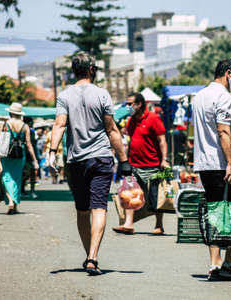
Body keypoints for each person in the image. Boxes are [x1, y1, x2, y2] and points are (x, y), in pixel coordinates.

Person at [50, 51, 131, 275]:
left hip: (76, 160)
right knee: (99, 207)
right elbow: (111, 129)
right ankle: (92, 257)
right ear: (92, 70)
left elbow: (59, 124)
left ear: (74, 71)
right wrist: (124, 160)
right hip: (101, 157)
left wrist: (51, 152)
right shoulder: (102, 94)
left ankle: (90, 256)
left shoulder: (64, 96)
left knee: (83, 210)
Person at [192, 58, 231, 281]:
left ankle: (215, 262)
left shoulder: (200, 96)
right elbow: (223, 131)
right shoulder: (223, 97)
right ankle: (230, 262)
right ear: (228, 73)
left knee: (215, 212)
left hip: (205, 164)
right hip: (224, 165)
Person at [112, 92, 168, 235]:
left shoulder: (153, 118)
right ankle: (128, 224)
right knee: (130, 194)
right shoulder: (131, 121)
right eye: (127, 104)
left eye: (130, 104)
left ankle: (159, 225)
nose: (128, 107)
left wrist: (164, 159)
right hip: (134, 165)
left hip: (153, 165)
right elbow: (131, 141)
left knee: (154, 197)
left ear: (139, 104)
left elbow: (162, 140)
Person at [0, 103, 39, 214]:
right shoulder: (25, 126)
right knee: (17, 180)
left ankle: (11, 202)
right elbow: (29, 144)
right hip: (20, 155)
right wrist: (34, 159)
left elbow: (1, 141)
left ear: (11, 112)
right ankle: (15, 205)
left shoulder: (6, 124)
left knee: (6, 178)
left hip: (6, 155)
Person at [21, 117, 39, 199]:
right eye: (32, 122)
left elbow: (34, 144)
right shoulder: (23, 130)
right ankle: (22, 189)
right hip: (26, 155)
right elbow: (29, 144)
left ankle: (32, 191)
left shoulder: (32, 131)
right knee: (26, 173)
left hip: (32, 155)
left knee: (32, 173)